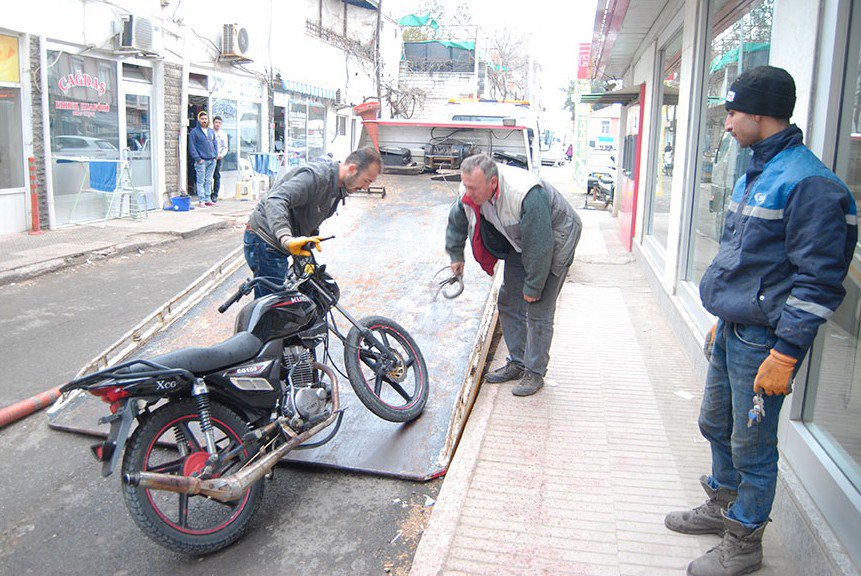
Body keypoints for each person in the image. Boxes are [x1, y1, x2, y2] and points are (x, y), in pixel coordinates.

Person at [665, 66, 857, 576]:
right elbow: (744, 258)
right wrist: (724, 316)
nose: (725, 124)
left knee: (753, 445)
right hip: (736, 329)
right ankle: (723, 504)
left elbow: (819, 283)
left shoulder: (810, 184)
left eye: (731, 113)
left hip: (766, 341)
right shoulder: (760, 170)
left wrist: (787, 352)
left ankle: (745, 540)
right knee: (715, 423)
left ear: (757, 114)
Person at [445, 154, 582, 396]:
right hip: (521, 239)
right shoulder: (470, 192)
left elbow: (540, 246)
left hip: (556, 237)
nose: (468, 193)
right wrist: (456, 255)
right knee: (508, 300)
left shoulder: (526, 193)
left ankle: (534, 372)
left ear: (493, 183)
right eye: (466, 186)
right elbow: (457, 220)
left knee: (538, 307)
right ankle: (518, 362)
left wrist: (533, 286)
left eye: (473, 188)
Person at [244, 146, 382, 298]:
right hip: (265, 240)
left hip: (283, 240)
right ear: (352, 169)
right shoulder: (316, 177)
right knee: (273, 307)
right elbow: (276, 200)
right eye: (366, 180)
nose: (366, 187)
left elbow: (309, 212)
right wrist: (286, 238)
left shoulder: (337, 186)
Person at [188, 111, 218, 207]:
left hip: (211, 160)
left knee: (209, 180)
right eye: (202, 119)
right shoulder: (194, 132)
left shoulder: (210, 131)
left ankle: (207, 198)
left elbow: (215, 143)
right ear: (199, 120)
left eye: (205, 119)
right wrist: (198, 158)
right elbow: (192, 147)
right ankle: (201, 200)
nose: (204, 120)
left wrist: (215, 156)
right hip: (201, 161)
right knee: (201, 181)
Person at [212, 115, 229, 203]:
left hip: (218, 157)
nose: (218, 124)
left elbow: (225, 147)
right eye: (216, 122)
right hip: (209, 157)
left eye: (219, 123)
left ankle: (215, 194)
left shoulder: (223, 134)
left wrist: (221, 155)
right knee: (207, 177)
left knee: (216, 176)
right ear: (213, 123)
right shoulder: (210, 132)